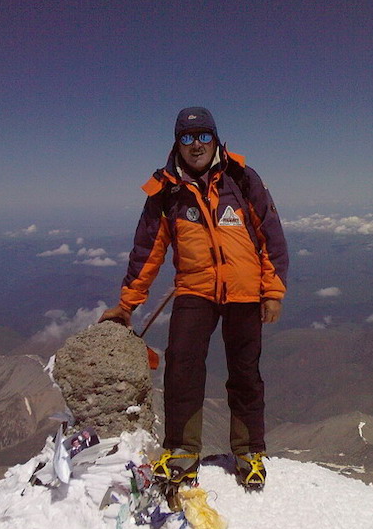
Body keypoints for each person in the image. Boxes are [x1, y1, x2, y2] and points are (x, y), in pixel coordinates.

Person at [99, 106, 288, 490]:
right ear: (177, 143)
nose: (196, 144)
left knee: (245, 374)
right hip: (195, 290)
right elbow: (147, 251)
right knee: (182, 367)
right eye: (187, 137)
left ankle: (249, 453)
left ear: (215, 138)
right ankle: (182, 452)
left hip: (244, 292)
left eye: (203, 135)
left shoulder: (242, 179)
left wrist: (273, 291)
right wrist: (127, 304)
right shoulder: (166, 191)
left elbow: (270, 235)